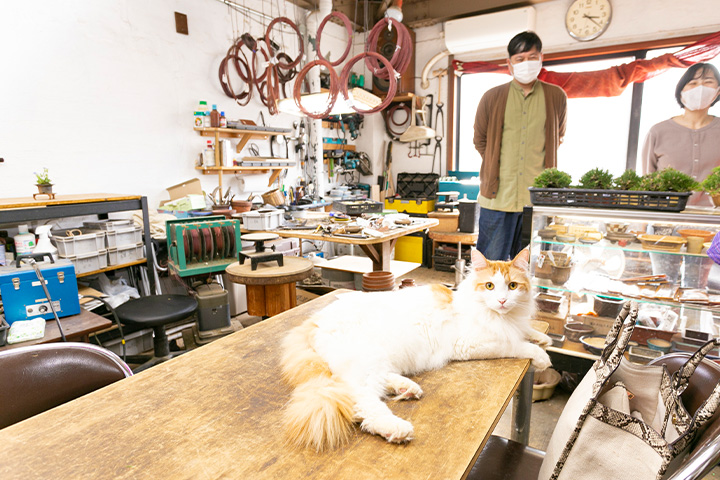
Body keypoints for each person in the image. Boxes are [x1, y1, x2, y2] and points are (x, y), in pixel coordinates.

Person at [473, 31, 567, 260]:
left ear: (541, 58)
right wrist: (496, 161)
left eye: (532, 57)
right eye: (520, 59)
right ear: (509, 63)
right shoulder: (492, 97)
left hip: (536, 202)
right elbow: (480, 140)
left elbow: (559, 137)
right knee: (490, 269)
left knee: (531, 269)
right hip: (497, 199)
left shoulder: (556, 96)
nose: (527, 63)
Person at [642, 62, 720, 206]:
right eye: (693, 83)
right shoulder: (658, 132)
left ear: (718, 91)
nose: (700, 88)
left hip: (713, 220)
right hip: (666, 218)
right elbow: (648, 182)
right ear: (681, 91)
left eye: (708, 82)